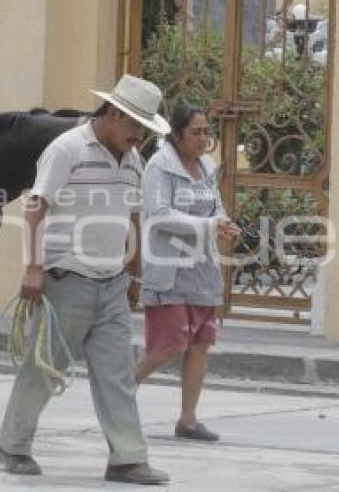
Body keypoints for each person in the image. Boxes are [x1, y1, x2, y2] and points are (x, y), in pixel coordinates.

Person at [0, 75, 171, 485]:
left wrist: (134, 277)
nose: (139, 135)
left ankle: (127, 458)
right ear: (112, 113)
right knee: (44, 369)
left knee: (117, 375)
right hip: (65, 279)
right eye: (135, 125)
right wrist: (33, 269)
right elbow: (35, 208)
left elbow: (133, 219)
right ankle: (14, 445)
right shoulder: (67, 149)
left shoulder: (132, 160)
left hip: (111, 281)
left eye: (145, 129)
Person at [135, 103, 241, 442]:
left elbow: (216, 204)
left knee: (200, 343)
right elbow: (161, 215)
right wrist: (208, 224)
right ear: (176, 134)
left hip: (202, 267)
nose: (203, 138)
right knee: (169, 344)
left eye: (207, 131)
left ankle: (188, 419)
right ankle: (119, 390)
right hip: (169, 268)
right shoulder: (159, 166)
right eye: (196, 132)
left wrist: (222, 223)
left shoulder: (207, 165)